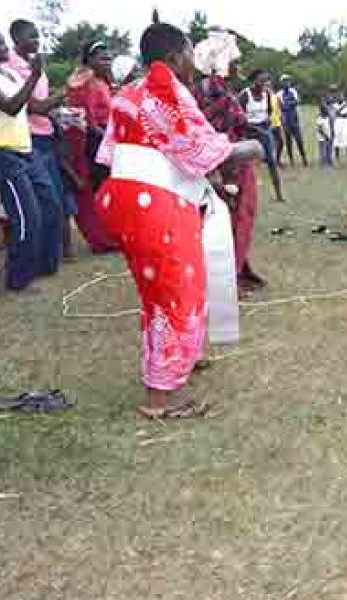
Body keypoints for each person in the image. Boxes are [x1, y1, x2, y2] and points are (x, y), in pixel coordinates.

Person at [96, 20, 263, 419]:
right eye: (190, 52)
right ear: (174, 56)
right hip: (155, 203)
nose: (194, 60)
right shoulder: (165, 88)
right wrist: (250, 145)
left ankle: (175, 363)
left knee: (157, 292)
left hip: (125, 199)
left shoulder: (130, 92)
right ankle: (161, 398)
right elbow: (204, 149)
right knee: (177, 290)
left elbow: (110, 151)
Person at [194, 31, 267, 293]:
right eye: (236, 62)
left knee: (232, 221)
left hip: (227, 161)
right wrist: (226, 177)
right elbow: (215, 133)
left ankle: (239, 270)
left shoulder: (213, 88)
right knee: (236, 219)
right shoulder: (215, 91)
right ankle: (226, 280)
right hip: (228, 165)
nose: (240, 67)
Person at [0, 25, 62, 290]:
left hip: (25, 150)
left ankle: (39, 265)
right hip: (2, 154)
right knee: (25, 216)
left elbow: (31, 104)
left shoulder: (7, 73)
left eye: (3, 43)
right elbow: (11, 107)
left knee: (49, 205)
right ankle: (19, 279)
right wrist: (34, 75)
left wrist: (61, 93)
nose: (4, 48)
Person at [8, 19, 71, 263]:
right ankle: (41, 258)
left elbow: (44, 104)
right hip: (31, 139)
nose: (36, 41)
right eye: (31, 37)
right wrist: (66, 90)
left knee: (52, 199)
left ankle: (50, 256)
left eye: (37, 36)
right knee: (44, 201)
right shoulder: (13, 67)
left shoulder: (34, 65)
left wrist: (58, 113)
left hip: (46, 135)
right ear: (16, 39)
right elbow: (35, 107)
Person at [66, 39, 116, 252]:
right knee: (96, 191)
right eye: (102, 58)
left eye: (109, 58)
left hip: (106, 139)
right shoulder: (84, 83)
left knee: (109, 191)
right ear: (90, 60)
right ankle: (101, 240)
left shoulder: (102, 82)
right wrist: (108, 140)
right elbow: (87, 120)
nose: (108, 61)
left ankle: (110, 235)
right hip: (94, 143)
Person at [239, 69, 284, 202]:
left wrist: (267, 123)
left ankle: (279, 195)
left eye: (266, 81)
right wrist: (252, 128)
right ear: (254, 81)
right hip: (249, 131)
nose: (265, 84)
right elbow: (238, 116)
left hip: (264, 130)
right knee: (246, 164)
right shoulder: (245, 95)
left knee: (271, 162)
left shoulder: (268, 95)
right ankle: (244, 195)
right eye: (261, 81)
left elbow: (270, 111)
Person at [276, 75, 308, 167]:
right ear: (281, 83)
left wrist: (288, 104)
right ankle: (291, 160)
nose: (287, 83)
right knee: (288, 141)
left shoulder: (293, 91)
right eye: (285, 81)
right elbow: (281, 106)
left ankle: (304, 158)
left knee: (299, 140)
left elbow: (297, 101)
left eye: (288, 81)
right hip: (285, 119)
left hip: (294, 118)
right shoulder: (279, 94)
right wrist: (289, 104)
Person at [331, 93, 347, 162]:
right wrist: (343, 107)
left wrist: (342, 113)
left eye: (341, 97)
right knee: (337, 139)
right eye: (338, 97)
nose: (340, 98)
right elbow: (336, 113)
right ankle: (337, 156)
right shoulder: (334, 105)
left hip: (346, 123)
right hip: (338, 123)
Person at [315, 100, 333, 168]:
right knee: (323, 151)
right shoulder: (319, 118)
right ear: (322, 110)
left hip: (329, 135)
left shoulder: (328, 117)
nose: (327, 110)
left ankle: (329, 162)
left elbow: (331, 125)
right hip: (322, 137)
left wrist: (331, 134)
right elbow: (319, 129)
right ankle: (322, 164)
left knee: (329, 150)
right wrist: (325, 136)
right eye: (325, 109)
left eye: (327, 108)